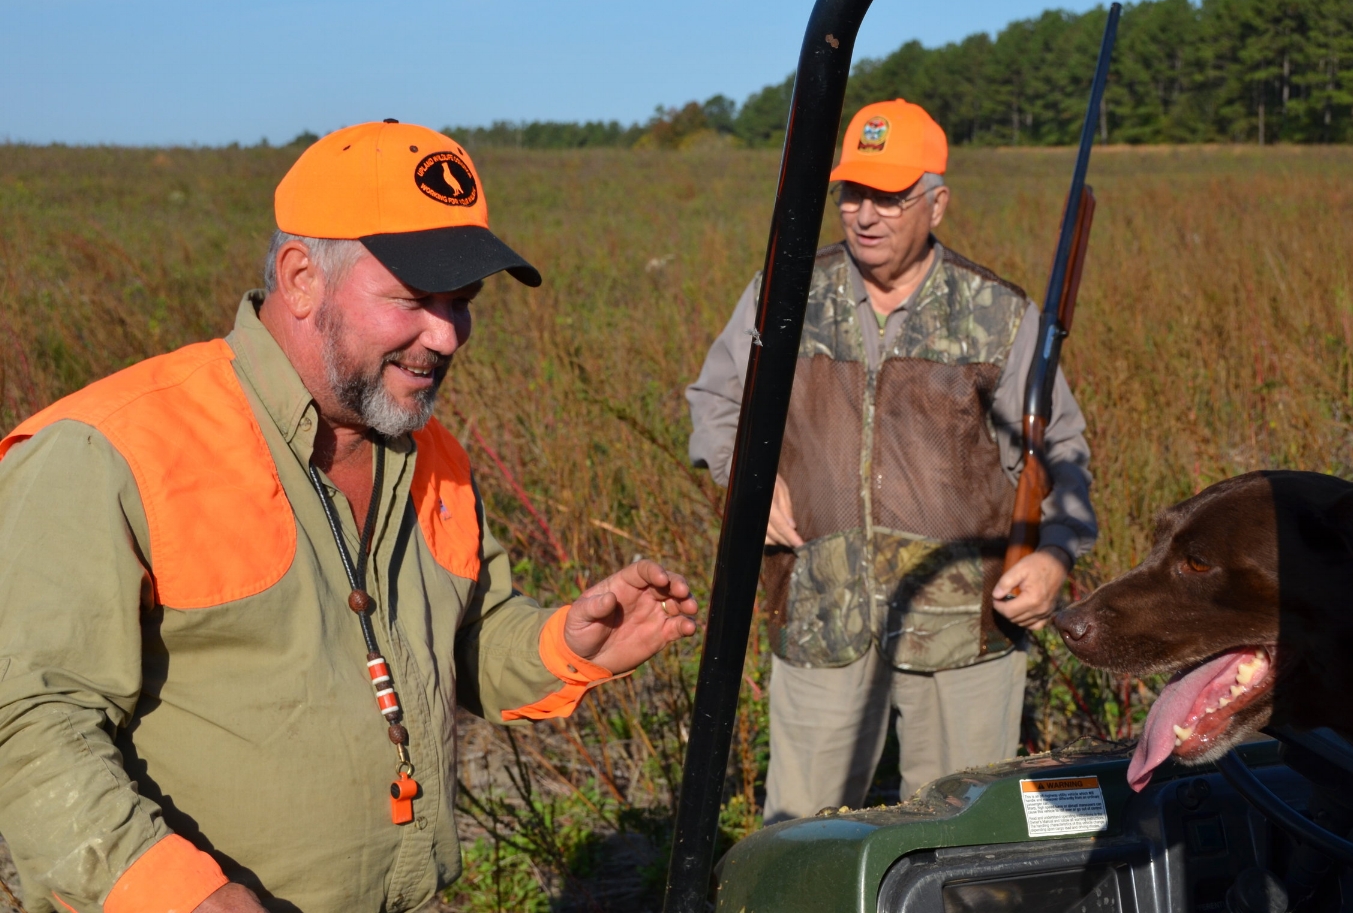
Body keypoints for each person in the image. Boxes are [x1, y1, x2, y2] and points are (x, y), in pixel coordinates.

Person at [0, 121, 698, 913]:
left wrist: (566, 643)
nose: (446, 335)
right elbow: (30, 719)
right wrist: (179, 895)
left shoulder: (431, 454)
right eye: (414, 299)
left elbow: (461, 639)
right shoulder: (110, 449)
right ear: (301, 277)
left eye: (462, 302)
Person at [687, 99, 1096, 822]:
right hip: (819, 612)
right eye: (852, 193)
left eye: (890, 197)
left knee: (964, 831)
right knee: (801, 833)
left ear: (937, 204)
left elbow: (1061, 449)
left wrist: (1055, 555)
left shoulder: (998, 312)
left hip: (966, 627)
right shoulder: (785, 293)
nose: (865, 215)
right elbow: (717, 399)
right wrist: (745, 478)